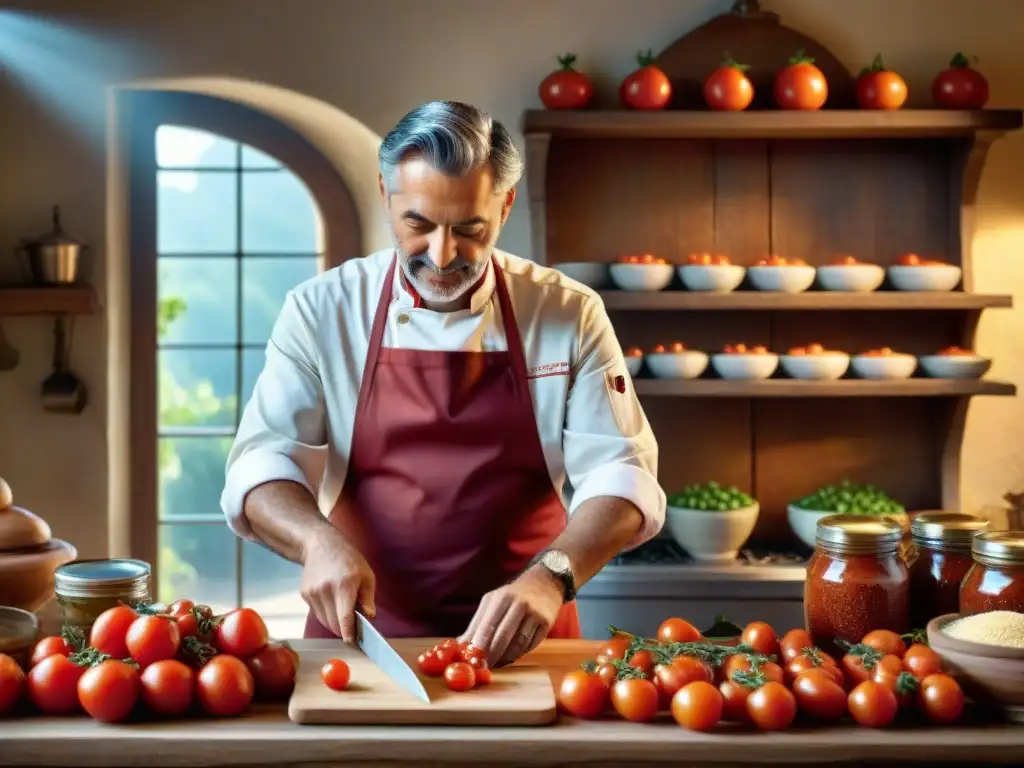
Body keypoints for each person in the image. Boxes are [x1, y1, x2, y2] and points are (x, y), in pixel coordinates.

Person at [220, 100, 665, 668]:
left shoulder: (568, 312)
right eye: (419, 224)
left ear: (504, 208)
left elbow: (622, 476)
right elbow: (262, 466)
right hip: (361, 640)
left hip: (526, 638)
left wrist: (552, 576)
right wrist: (315, 541)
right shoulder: (320, 311)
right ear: (386, 196)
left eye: (469, 229)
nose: (442, 254)